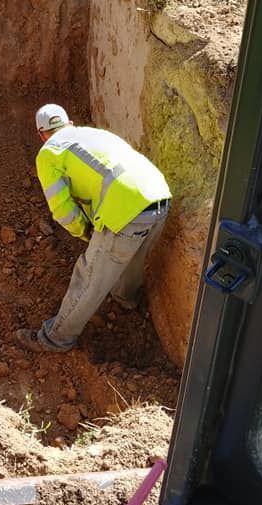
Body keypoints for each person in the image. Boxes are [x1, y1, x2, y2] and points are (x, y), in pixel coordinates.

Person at [16, 104, 171, 353]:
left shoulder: (49, 152)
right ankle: (126, 299)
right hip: (159, 195)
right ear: (69, 123)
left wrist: (84, 231)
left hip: (126, 209)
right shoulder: (94, 134)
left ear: (41, 134)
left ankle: (55, 339)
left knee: (88, 277)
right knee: (133, 259)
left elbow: (62, 209)